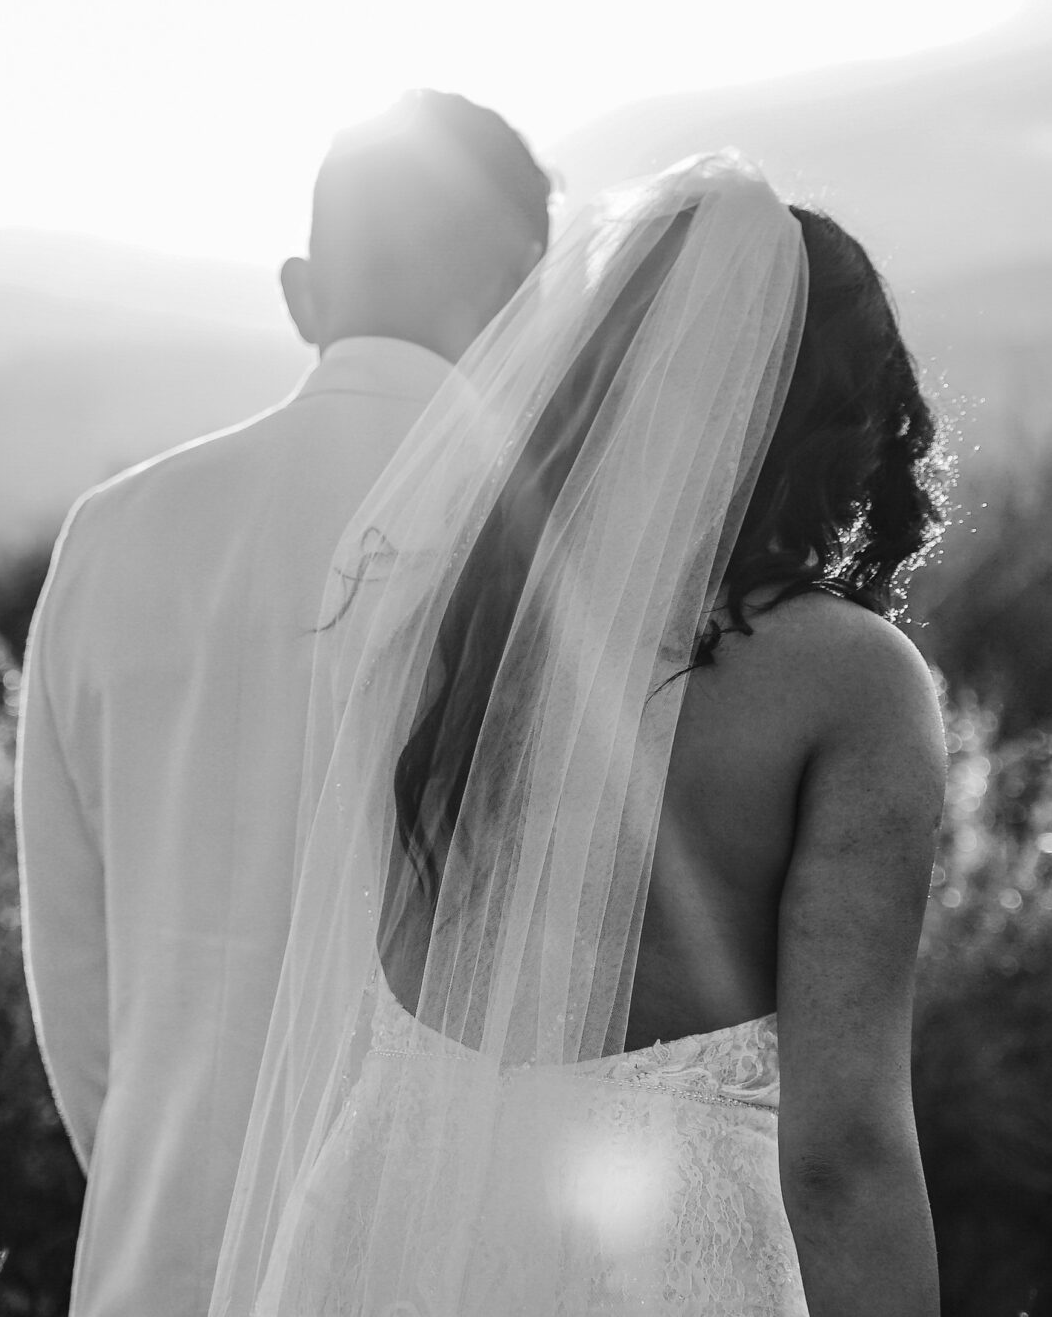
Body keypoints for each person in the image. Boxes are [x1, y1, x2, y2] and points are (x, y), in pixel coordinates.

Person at [212, 155, 949, 1316]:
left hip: (381, 1206)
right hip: (653, 1256)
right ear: (845, 419)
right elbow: (843, 1148)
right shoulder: (848, 680)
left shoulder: (449, 609)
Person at [16, 91, 552, 1317]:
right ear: (531, 296)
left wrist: (183, 1194)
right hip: (447, 1261)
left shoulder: (112, 535)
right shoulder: (552, 547)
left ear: (303, 294)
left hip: (159, 1251)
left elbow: (75, 973)